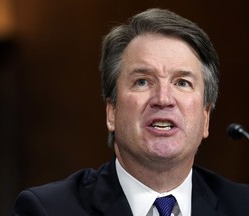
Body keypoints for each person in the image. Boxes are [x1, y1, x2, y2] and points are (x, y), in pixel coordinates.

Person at [13, 8, 249, 216]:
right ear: (111, 112)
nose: (163, 99)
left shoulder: (243, 206)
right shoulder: (48, 210)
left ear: (206, 117)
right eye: (143, 82)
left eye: (182, 83)